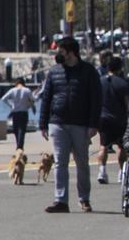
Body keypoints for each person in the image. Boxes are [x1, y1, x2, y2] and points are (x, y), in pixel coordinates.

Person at [37, 36, 102, 214]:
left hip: (81, 124)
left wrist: (93, 124)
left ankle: (84, 199)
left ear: (71, 52)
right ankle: (61, 200)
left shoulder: (89, 72)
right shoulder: (54, 72)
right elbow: (47, 97)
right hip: (57, 123)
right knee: (60, 163)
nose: (58, 54)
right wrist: (42, 123)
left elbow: (96, 100)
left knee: (82, 163)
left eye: (61, 51)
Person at [96, 54, 129, 187]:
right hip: (119, 119)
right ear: (120, 68)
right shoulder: (123, 83)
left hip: (103, 118)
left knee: (103, 146)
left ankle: (102, 171)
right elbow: (127, 104)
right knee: (122, 148)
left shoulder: (99, 81)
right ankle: (121, 172)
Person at [0, 75, 36, 151]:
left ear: (16, 83)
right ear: (23, 83)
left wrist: (11, 105)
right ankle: (20, 146)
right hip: (24, 112)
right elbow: (33, 100)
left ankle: (18, 146)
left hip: (15, 112)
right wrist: (29, 106)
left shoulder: (12, 90)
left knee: (15, 130)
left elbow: (3, 99)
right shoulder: (27, 90)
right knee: (22, 130)